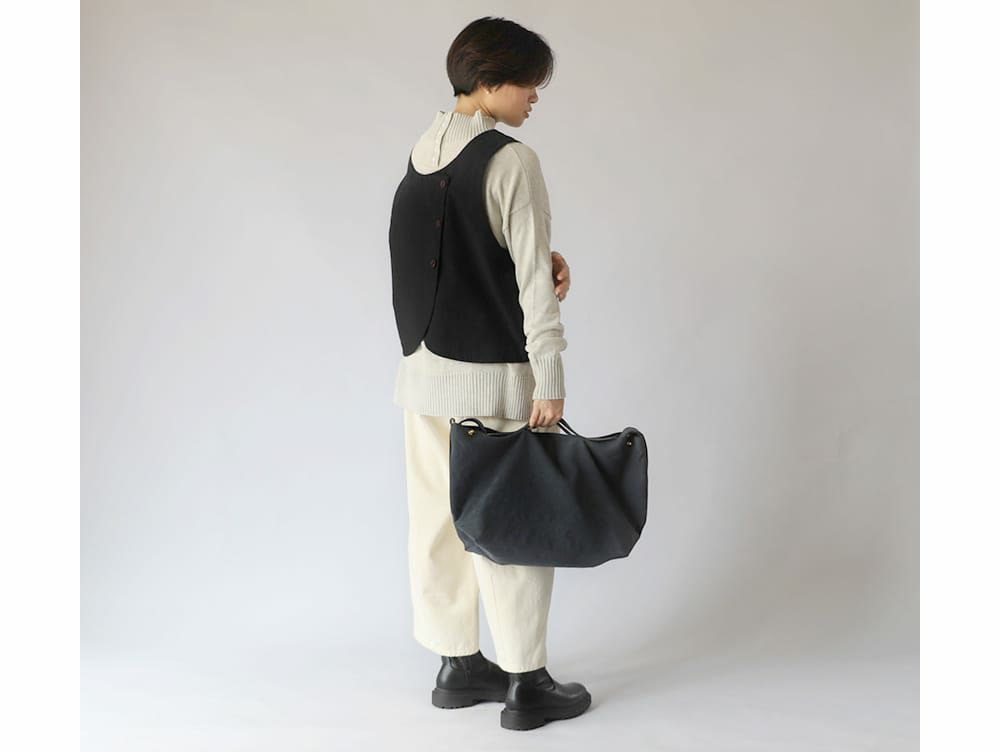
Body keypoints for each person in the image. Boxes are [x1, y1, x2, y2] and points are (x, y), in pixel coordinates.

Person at [388, 16, 591, 731]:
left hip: (422, 375)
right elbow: (533, 282)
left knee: (437, 524)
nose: (535, 95)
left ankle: (457, 665)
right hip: (493, 378)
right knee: (512, 528)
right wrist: (550, 378)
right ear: (489, 79)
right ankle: (527, 682)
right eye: (528, 81)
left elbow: (443, 258)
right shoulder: (513, 161)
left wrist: (530, 261)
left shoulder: (421, 152)